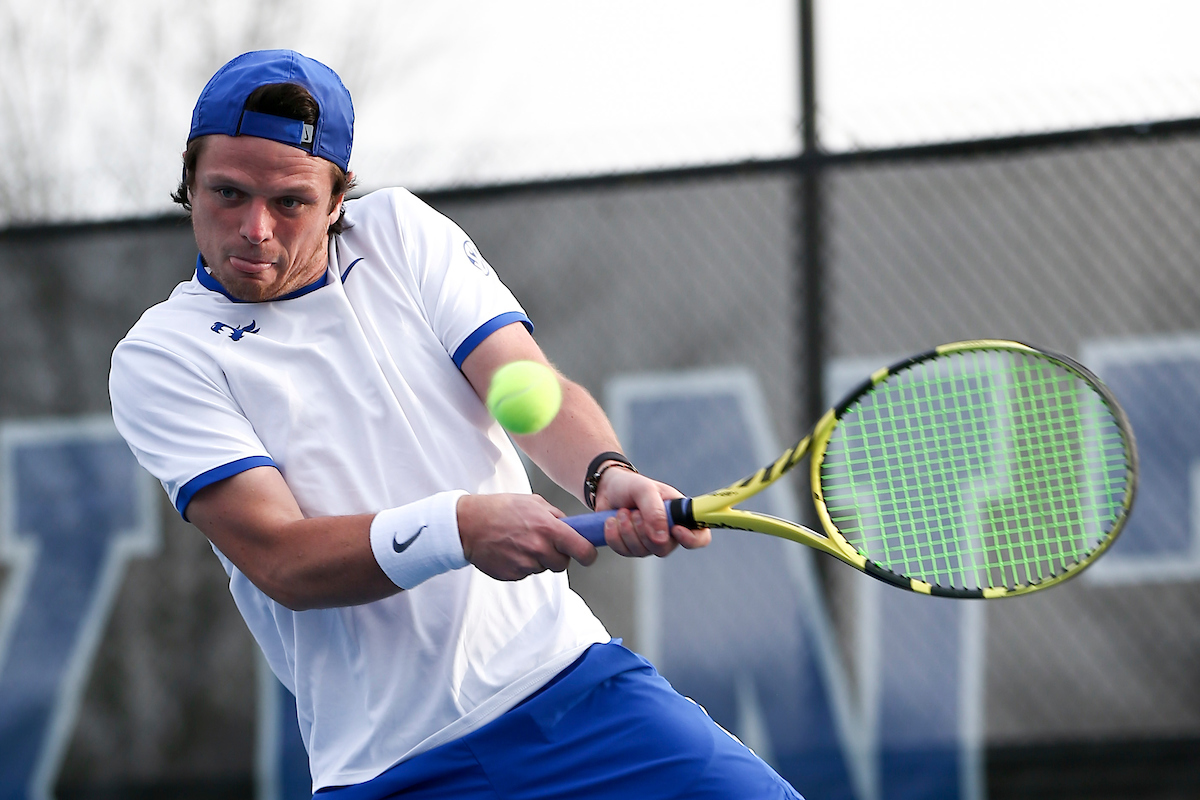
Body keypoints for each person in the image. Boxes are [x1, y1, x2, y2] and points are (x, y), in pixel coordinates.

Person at [109, 49, 802, 799]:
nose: (254, 229)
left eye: (290, 203)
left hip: (578, 694)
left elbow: (522, 388)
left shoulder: (400, 233)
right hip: (394, 767)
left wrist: (608, 473)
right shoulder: (162, 356)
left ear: (338, 198)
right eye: (227, 193)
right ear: (190, 181)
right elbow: (283, 560)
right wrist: (463, 527)